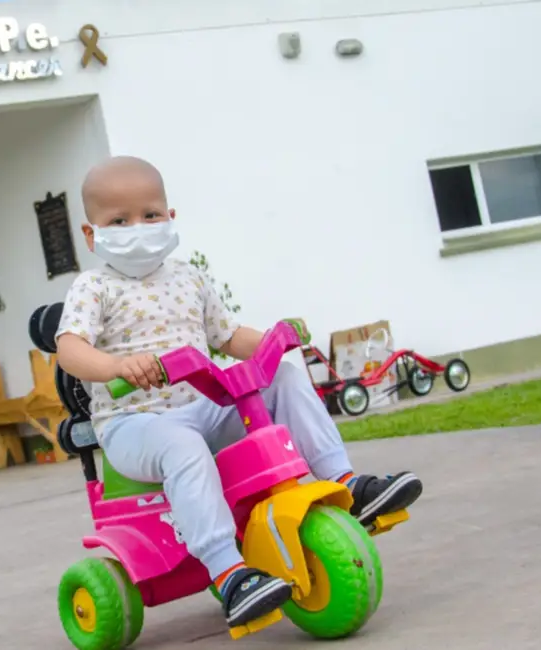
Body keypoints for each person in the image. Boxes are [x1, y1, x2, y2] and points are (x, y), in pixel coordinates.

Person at [54, 156, 423, 632]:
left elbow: (227, 336)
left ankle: (346, 483)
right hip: (135, 425)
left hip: (201, 406)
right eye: (119, 222)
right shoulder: (93, 287)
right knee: (181, 445)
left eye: (150, 215)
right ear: (92, 235)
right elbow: (70, 350)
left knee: (283, 378)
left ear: (170, 217)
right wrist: (117, 367)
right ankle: (229, 573)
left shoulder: (188, 278)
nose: (138, 228)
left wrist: (276, 340)